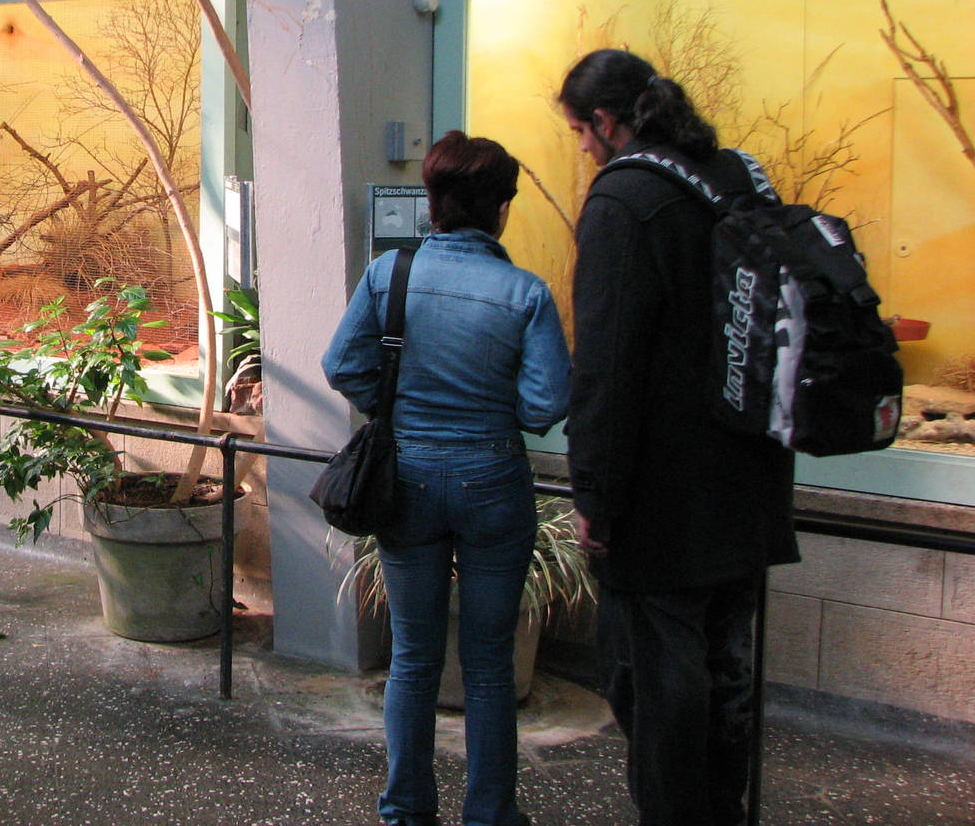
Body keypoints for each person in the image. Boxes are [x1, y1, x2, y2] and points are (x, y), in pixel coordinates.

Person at [558, 49, 798, 826]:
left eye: (581, 132)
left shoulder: (625, 199)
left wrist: (593, 491)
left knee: (655, 687)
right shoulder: (737, 176)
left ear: (607, 120)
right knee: (726, 678)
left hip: (663, 501)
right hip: (752, 479)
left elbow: (607, 362)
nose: (584, 148)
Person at [323, 131, 571, 826]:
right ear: (501, 210)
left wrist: (393, 404)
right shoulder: (525, 292)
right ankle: (490, 814)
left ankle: (406, 810)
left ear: (433, 202)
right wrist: (501, 408)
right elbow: (548, 401)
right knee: (490, 666)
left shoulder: (389, 276)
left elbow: (342, 365)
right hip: (494, 475)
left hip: (408, 475)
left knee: (412, 656)